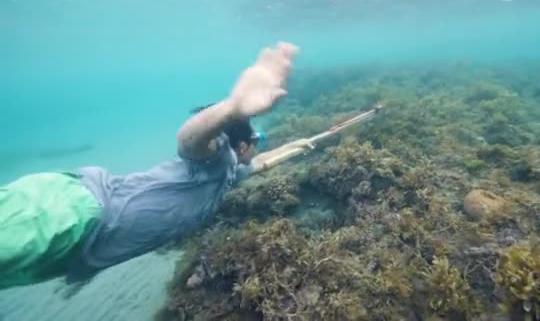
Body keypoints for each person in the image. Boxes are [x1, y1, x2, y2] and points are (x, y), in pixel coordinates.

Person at [0, 42, 314, 290]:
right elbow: (189, 139)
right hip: (73, 213)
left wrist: (297, 146)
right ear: (240, 146)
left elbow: (259, 165)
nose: (259, 145)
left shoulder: (228, 173)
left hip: (76, 241)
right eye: (258, 139)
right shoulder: (215, 159)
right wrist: (232, 108)